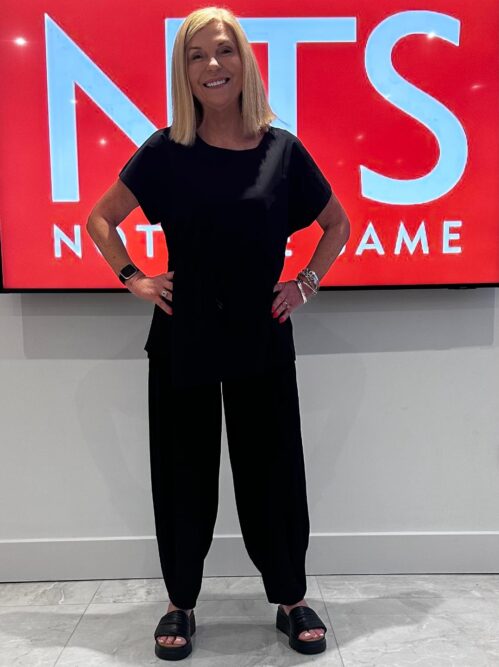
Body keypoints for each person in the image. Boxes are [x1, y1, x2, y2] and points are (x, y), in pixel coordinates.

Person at [87, 5, 350, 661]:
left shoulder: (281, 150)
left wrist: (305, 283)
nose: (212, 65)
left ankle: (291, 599)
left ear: (244, 61)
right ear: (184, 70)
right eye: (197, 54)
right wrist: (134, 277)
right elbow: (101, 219)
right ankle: (179, 603)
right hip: (185, 336)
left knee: (274, 474)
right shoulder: (165, 151)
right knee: (184, 476)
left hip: (262, 334)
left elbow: (337, 225)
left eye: (224, 51)